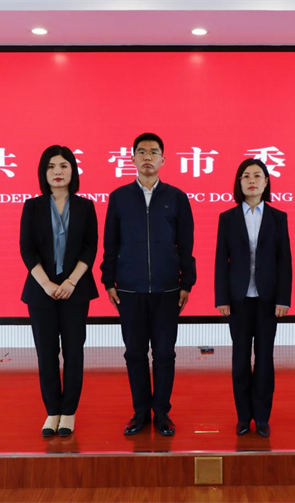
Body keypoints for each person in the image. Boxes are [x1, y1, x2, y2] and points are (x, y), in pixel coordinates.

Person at [101, 132, 196, 436]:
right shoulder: (119, 198)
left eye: (153, 152)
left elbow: (186, 244)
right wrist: (109, 280)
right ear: (132, 159)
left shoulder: (176, 198)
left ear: (162, 160)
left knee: (165, 353)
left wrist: (187, 283)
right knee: (135, 353)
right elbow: (110, 243)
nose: (147, 157)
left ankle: (162, 412)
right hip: (129, 290)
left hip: (168, 290)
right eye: (141, 152)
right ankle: (140, 411)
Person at [19, 145, 99, 437]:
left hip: (75, 291)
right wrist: (47, 284)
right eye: (51, 166)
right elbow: (27, 249)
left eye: (64, 166)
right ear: (43, 172)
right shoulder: (32, 207)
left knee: (74, 352)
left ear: (73, 171)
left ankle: (69, 412)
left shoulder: (86, 207)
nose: (57, 172)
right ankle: (52, 411)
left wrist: (70, 282)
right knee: (47, 353)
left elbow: (90, 248)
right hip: (41, 291)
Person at [214, 159, 292, 438]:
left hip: (268, 300)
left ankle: (262, 416)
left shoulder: (278, 217)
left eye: (257, 175)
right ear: (239, 182)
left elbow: (284, 261)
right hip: (238, 299)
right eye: (246, 176)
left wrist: (283, 298)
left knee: (265, 359)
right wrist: (221, 297)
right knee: (240, 358)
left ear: (266, 182)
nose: (251, 180)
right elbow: (221, 260)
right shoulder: (228, 217)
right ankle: (243, 416)